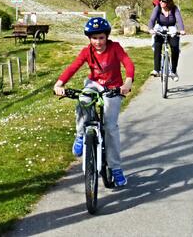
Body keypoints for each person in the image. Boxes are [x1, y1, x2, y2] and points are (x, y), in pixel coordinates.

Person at [53, 17, 134, 187]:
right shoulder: (86, 52)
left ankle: (116, 168)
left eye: (101, 37)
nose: (98, 41)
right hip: (93, 84)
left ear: (107, 37)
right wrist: (60, 84)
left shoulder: (115, 48)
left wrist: (127, 82)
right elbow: (73, 67)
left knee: (110, 127)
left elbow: (128, 63)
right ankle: (81, 135)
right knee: (83, 100)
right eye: (94, 38)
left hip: (113, 86)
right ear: (89, 38)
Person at [148, 0, 186, 81]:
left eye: (163, 1)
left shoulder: (174, 9)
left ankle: (173, 71)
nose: (160, 2)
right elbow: (152, 20)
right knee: (157, 45)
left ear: (168, 2)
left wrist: (181, 30)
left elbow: (179, 20)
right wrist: (150, 29)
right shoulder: (157, 8)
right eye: (160, 0)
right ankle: (156, 69)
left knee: (175, 47)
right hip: (160, 28)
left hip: (172, 29)